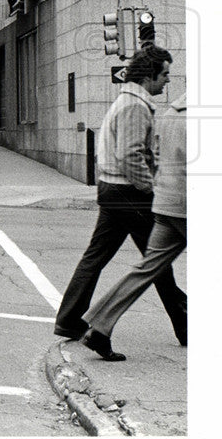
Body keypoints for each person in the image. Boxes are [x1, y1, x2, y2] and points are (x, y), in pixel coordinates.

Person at [53, 46, 186, 344]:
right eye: (164, 74)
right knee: (157, 260)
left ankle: (69, 319)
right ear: (149, 75)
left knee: (99, 257)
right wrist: (152, 188)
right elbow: (130, 154)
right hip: (129, 192)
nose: (167, 81)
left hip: (113, 189)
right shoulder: (135, 106)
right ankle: (184, 322)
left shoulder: (127, 101)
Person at [81, 94, 187, 361]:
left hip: (166, 202)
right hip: (188, 203)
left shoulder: (170, 112)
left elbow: (157, 155)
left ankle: (99, 327)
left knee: (147, 268)